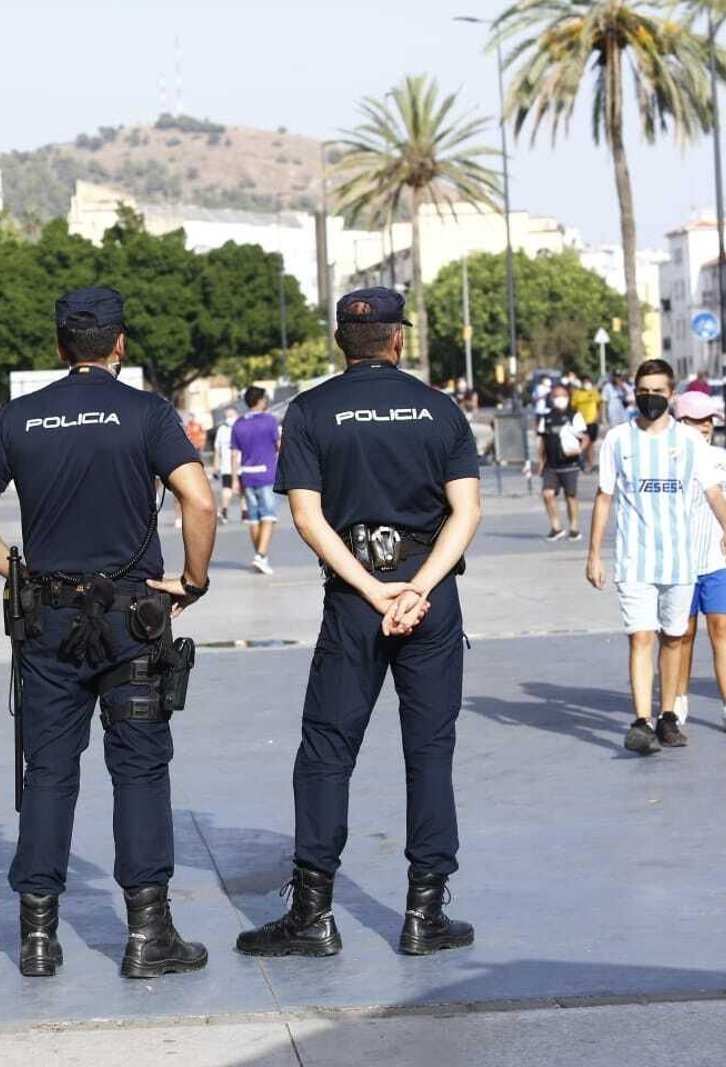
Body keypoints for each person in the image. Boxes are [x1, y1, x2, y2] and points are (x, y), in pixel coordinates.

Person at [0, 286, 216, 980]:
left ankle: (38, 937)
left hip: (51, 621)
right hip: (132, 620)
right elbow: (200, 500)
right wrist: (193, 578)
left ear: (62, 346)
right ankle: (147, 935)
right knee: (140, 767)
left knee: (50, 772)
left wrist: (18, 574)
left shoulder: (22, 418)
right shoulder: (147, 413)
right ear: (119, 342)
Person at [235, 287, 481, 960]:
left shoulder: (311, 410)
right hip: (430, 601)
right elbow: (465, 512)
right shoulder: (439, 408)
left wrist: (374, 591)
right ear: (398, 339)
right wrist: (417, 587)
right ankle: (425, 913)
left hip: (355, 599)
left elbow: (309, 519)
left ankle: (313, 914)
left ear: (342, 341)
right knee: (429, 749)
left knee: (326, 750)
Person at [586, 360, 726, 756]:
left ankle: (668, 714)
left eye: (657, 390)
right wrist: (594, 554)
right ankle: (641, 721)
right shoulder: (617, 440)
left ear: (671, 395)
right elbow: (605, 498)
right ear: (633, 392)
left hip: (679, 560)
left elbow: (713, 492)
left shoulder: (689, 442)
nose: (648, 397)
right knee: (640, 637)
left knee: (673, 638)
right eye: (642, 390)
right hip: (635, 560)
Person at [671, 392, 726, 732]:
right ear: (679, 422)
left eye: (710, 420)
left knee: (722, 626)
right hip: (680, 560)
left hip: (719, 557)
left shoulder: (720, 458)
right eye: (697, 420)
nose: (705, 426)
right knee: (682, 633)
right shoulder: (667, 456)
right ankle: (677, 700)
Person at [231, 386, 281, 574]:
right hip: (266, 474)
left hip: (247, 475)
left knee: (253, 518)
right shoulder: (269, 421)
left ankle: (262, 558)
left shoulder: (239, 423)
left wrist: (235, 479)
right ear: (261, 400)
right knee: (268, 516)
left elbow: (234, 454)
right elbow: (279, 446)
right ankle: (260, 555)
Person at [535, 383, 586, 542]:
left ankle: (574, 528)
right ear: (551, 398)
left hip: (569, 464)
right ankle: (556, 527)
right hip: (551, 465)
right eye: (556, 396)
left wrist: (579, 451)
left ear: (568, 396)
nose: (559, 399)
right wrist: (540, 462)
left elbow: (585, 438)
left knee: (570, 496)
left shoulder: (574, 416)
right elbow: (542, 441)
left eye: (562, 395)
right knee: (547, 494)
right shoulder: (546, 418)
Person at [214, 406, 239, 524]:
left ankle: (224, 511)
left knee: (227, 488)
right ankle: (245, 513)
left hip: (229, 466)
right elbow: (217, 449)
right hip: (239, 465)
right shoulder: (241, 426)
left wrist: (216, 467)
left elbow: (217, 449)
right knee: (243, 490)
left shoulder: (221, 429)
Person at [571, 376, 602, 468]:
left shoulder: (594, 392)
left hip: (592, 421)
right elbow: (573, 407)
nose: (586, 384)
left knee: (590, 443)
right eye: (584, 382)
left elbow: (600, 405)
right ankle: (582, 462)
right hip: (580, 422)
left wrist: (598, 417)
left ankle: (590, 463)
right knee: (582, 443)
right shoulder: (577, 393)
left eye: (588, 382)